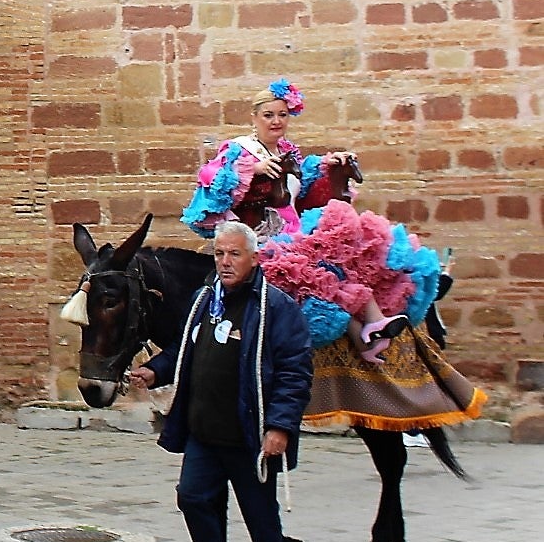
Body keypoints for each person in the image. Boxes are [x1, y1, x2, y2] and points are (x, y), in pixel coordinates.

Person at [129, 221, 312, 542]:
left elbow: (295, 374)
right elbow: (185, 348)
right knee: (192, 498)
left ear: (254, 258)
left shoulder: (276, 309)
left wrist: (280, 427)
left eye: (234, 254)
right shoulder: (205, 300)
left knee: (260, 517)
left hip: (251, 436)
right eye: (218, 254)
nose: (225, 262)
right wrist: (156, 371)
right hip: (204, 431)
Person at [181, 78, 439, 363]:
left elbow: (301, 196)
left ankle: (372, 328)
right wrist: (253, 169)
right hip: (258, 238)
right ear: (254, 118)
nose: (276, 121)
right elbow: (211, 180)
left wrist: (328, 167)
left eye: (282, 114)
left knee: (341, 262)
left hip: (294, 233)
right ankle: (362, 334)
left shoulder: (288, 153)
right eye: (268, 115)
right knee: (311, 275)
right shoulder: (238, 151)